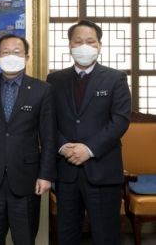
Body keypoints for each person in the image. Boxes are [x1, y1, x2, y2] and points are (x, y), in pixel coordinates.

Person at [46, 20, 131, 245]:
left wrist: (89, 149)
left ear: (99, 45)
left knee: (106, 236)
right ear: (70, 46)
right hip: (66, 171)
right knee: (66, 235)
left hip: (102, 170)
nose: (84, 46)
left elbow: (120, 121)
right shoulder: (54, 80)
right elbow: (48, 121)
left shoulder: (116, 78)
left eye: (90, 41)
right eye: (78, 41)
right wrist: (64, 147)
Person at [0, 34, 56, 245]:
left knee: (25, 238)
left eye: (17, 52)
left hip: (27, 178)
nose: (11, 56)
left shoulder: (42, 90)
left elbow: (49, 137)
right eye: (6, 52)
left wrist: (46, 175)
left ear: (26, 58)